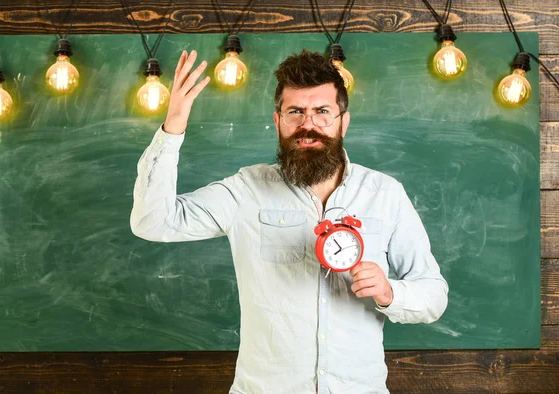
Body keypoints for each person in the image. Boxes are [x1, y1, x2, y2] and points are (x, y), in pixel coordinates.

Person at [131, 49, 449, 394]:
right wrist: (173, 127)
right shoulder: (246, 190)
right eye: (295, 112)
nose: (308, 124)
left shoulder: (385, 194)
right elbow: (152, 221)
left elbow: (434, 296)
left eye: (322, 112)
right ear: (278, 119)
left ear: (344, 120)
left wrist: (390, 292)